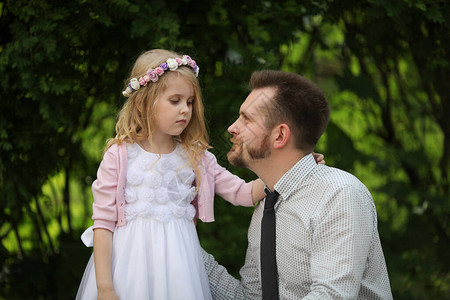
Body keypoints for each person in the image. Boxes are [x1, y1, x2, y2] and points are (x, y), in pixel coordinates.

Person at [202, 70, 393, 299]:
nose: (232, 128)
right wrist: (178, 244)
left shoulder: (339, 194)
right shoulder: (266, 205)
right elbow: (251, 297)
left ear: (280, 136)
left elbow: (331, 295)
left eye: (247, 119)